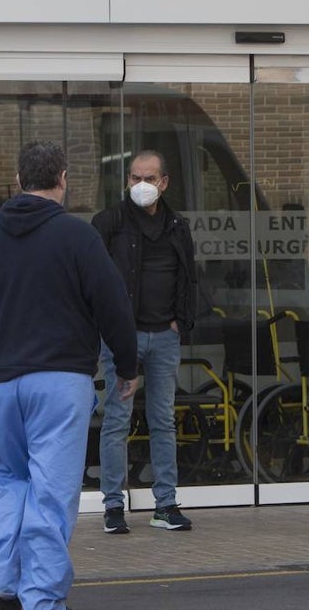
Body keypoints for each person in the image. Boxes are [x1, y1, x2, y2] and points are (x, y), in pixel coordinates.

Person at [0, 140, 139, 610]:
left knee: (7, 482)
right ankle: (42, 599)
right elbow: (113, 304)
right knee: (51, 494)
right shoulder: (77, 237)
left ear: (18, 181)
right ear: (63, 180)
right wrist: (128, 365)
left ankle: (2, 585)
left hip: (2, 383)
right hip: (61, 381)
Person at [92, 149, 197, 533]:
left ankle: (165, 505)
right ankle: (113, 506)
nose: (141, 186)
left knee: (163, 421)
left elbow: (189, 278)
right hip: (123, 337)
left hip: (165, 338)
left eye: (149, 179)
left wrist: (180, 323)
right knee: (117, 420)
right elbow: (93, 282)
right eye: (135, 178)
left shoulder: (177, 227)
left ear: (164, 182)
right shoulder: (109, 223)